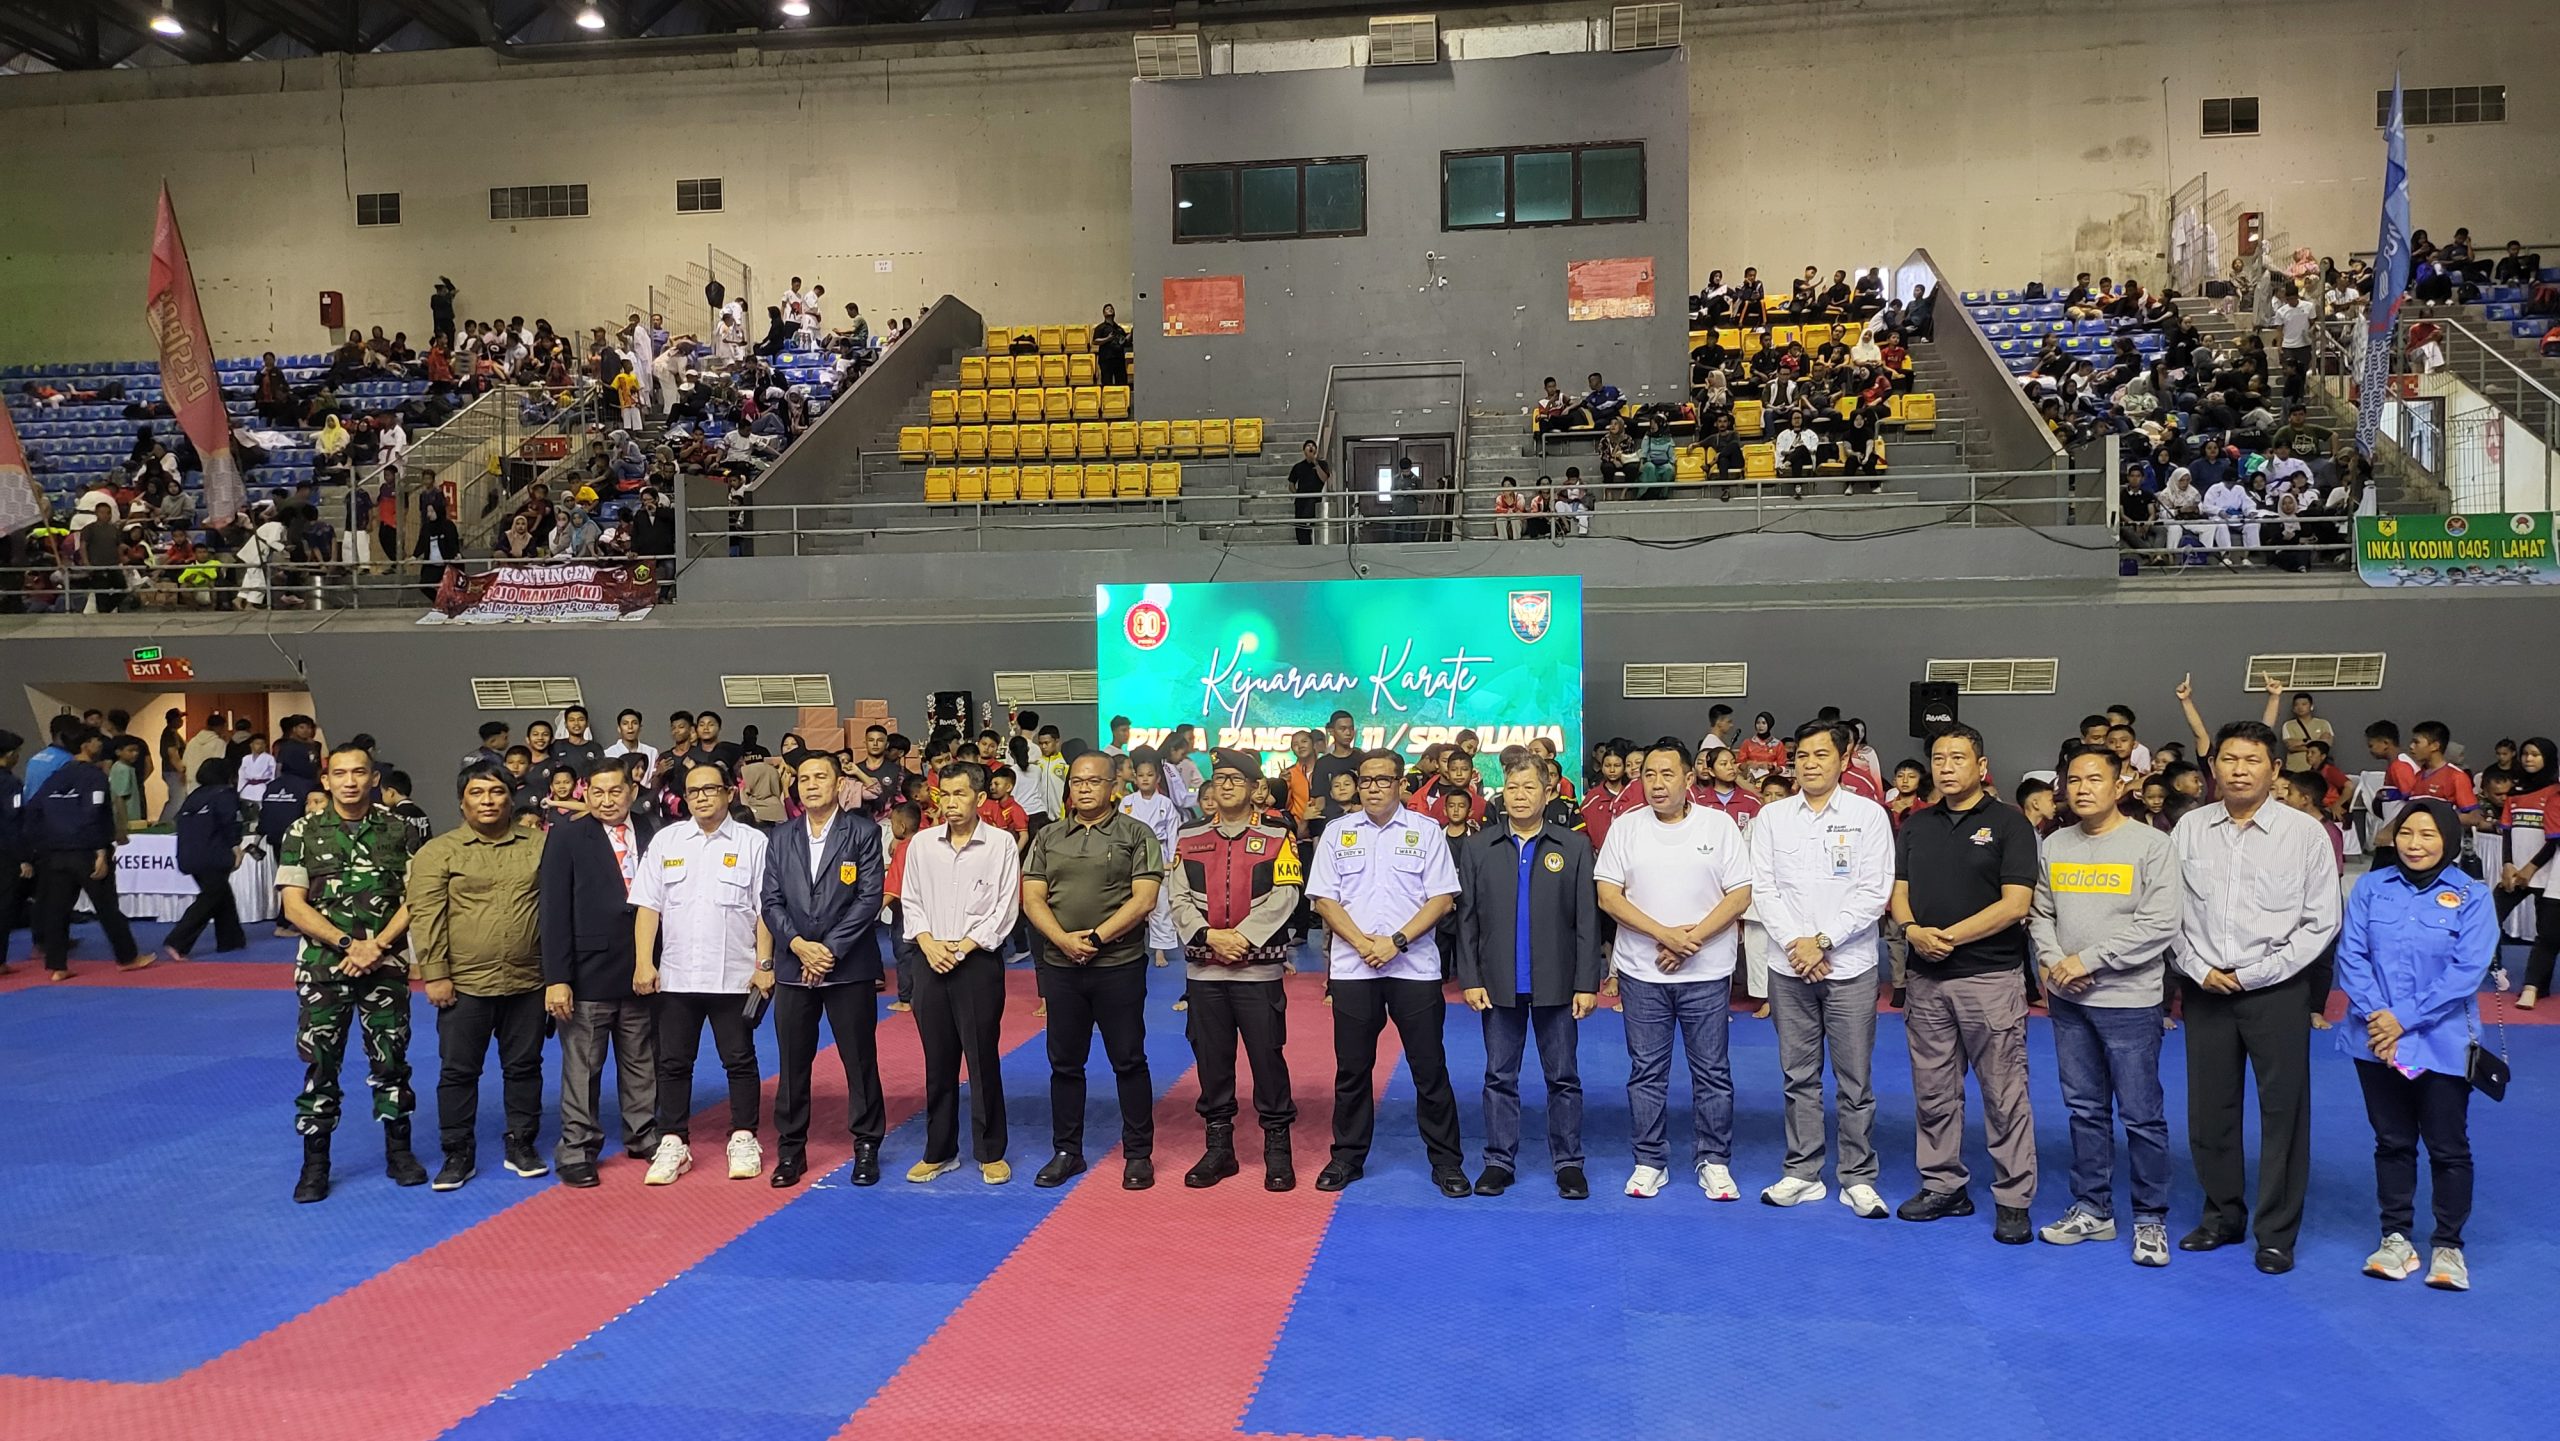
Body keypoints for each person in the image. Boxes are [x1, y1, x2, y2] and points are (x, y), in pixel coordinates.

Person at [2172, 719, 2343, 1274]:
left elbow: (2321, 922)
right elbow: (2168, 909)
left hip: (2277, 990)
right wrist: (2197, 967)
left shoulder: (2305, 834)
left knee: (2283, 1113)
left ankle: (2276, 1232)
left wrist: (2257, 974)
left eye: (2251, 760)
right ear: (2213, 767)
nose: (2239, 770)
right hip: (2206, 988)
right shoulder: (2190, 828)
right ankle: (2222, 1215)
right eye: (2229, 759)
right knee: (2209, 1112)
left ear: (2275, 769)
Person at [2029, 742, 2181, 1265]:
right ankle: (2093, 1208)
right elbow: (2041, 913)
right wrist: (2055, 963)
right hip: (2068, 1000)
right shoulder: (2055, 844)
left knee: (2141, 1115)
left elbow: (2160, 924)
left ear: (2120, 786)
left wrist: (2087, 961)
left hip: (2129, 1001)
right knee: (2085, 1109)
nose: (2083, 789)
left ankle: (2150, 1218)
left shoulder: (2151, 845)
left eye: (2095, 779)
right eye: (2073, 780)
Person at [1891, 723, 2041, 1242]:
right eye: (1938, 758)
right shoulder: (1916, 824)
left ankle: (2014, 1197)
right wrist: (1913, 931)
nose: (1946, 766)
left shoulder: (2009, 823)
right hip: (1926, 980)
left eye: (1958, 757)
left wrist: (1947, 937)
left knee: (2004, 1094)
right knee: (1933, 1091)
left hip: (1989, 978)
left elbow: (2015, 905)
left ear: (1981, 766)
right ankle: (1943, 1185)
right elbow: (1899, 891)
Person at [2335, 799, 2492, 1291]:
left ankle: (2448, 1245)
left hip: (2442, 1041)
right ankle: (2395, 1238)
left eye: (2427, 834)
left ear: (2448, 839)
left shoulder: (2472, 895)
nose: (2415, 844)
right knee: (2392, 1142)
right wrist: (2380, 1020)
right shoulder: (2370, 888)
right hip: (2374, 1039)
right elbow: (2351, 955)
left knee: (2448, 1146)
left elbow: (2466, 971)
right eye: (2406, 833)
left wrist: (2401, 1020)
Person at [1594, 740, 1753, 1201]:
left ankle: (1714, 1160)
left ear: (1689, 777)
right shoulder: (1626, 827)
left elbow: (1740, 895)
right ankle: (1649, 1161)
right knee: (1646, 1071)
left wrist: (1691, 940)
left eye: (1667, 774)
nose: (1657, 783)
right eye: (1648, 774)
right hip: (1643, 973)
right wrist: (1665, 934)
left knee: (1712, 1072)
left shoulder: (1718, 825)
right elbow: (1608, 896)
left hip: (1706, 972)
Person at [1307, 748, 1468, 1197]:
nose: (1373, 787)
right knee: (1352, 1069)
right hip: (1354, 969)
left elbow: (1442, 899)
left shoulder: (1427, 831)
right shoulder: (1337, 832)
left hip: (1414, 967)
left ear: (1401, 785)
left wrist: (1395, 942)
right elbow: (1324, 899)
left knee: (1429, 1068)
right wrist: (1363, 945)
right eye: (1366, 780)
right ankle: (1346, 1157)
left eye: (1383, 780)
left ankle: (1447, 1162)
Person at [1749, 721, 1896, 1214]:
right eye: (1803, 756)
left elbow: (1875, 891)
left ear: (1844, 759)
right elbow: (1764, 889)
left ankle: (1857, 1176)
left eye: (1821, 755)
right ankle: (1802, 1171)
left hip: (1849, 965)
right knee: (1798, 1076)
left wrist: (1824, 941)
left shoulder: (1868, 815)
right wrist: (1798, 944)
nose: (1810, 764)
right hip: (1789, 966)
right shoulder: (1773, 818)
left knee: (1855, 1080)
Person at [278, 742, 423, 1202]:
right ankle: (315, 1164)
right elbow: (293, 905)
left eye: (359, 772)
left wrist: (376, 946)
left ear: (374, 778)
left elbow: (416, 899)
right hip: (324, 968)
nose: (350, 781)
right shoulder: (303, 830)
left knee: (391, 1058)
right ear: (326, 780)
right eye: (340, 773)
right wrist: (348, 945)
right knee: (320, 1063)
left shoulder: (400, 829)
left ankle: (399, 1152)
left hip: (385, 965)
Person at [1456, 750, 1603, 1199]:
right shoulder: (1479, 847)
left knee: (1564, 1078)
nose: (1519, 796)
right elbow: (1467, 920)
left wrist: (1586, 983)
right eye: (1512, 787)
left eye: (1529, 787)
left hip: (1557, 983)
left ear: (1548, 792)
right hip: (1497, 983)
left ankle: (1569, 1162)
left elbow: (1587, 919)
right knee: (1499, 1077)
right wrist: (1470, 978)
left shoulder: (1573, 846)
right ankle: (1499, 1161)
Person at [1021, 751, 1167, 1189]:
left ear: (1113, 787)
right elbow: (1032, 898)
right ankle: (1067, 1151)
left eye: (1093, 781)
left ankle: (1138, 1153)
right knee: (1065, 1063)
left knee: (1129, 1060)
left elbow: (1144, 899)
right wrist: (1063, 940)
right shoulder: (1049, 836)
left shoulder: (1135, 833)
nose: (1084, 788)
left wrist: (1097, 939)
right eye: (1077, 782)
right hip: (1061, 966)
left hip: (1118, 965)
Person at [1166, 749, 1306, 1191]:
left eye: (1236, 779)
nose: (1226, 785)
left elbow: (1287, 894)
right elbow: (1177, 895)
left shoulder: (1277, 836)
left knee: (1267, 1059)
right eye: (1220, 778)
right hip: (1204, 971)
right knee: (1211, 1062)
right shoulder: (1189, 836)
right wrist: (1209, 936)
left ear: (1254, 788)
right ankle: (1218, 1149)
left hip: (1257, 972)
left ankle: (1277, 1150)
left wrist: (1242, 937)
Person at [632, 760, 774, 1186]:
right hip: (677, 976)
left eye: (710, 789)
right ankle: (674, 1141)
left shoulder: (752, 842)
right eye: (693, 791)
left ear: (730, 792)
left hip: (734, 974)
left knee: (739, 1060)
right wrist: (643, 961)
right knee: (673, 1062)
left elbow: (766, 909)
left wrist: (764, 964)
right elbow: (648, 906)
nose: (701, 797)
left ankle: (744, 1136)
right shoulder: (667, 840)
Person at [409, 761, 549, 1189]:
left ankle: (522, 1142)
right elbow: (426, 915)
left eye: (496, 792)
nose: (487, 801)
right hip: (465, 982)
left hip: (529, 979)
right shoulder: (439, 852)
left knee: (524, 1066)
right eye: (477, 793)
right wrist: (435, 973)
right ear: (461, 801)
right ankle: (457, 1152)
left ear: (512, 797)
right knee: (458, 1070)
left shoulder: (540, 845)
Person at [758, 751, 888, 1189]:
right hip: (794, 966)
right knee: (793, 1063)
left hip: (847, 966)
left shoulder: (863, 832)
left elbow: (869, 899)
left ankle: (867, 1144)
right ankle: (791, 1150)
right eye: (804, 778)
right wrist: (798, 945)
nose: (811, 784)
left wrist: (828, 951)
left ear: (838, 784)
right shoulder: (781, 836)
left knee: (859, 1059)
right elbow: (771, 901)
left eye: (820, 777)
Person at [540, 760, 658, 1189]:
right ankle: (577, 1148)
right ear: (586, 794)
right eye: (598, 793)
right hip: (586, 972)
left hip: (641, 966)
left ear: (632, 791)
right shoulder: (567, 835)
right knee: (583, 1067)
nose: (607, 801)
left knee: (641, 1059)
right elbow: (553, 909)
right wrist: (557, 978)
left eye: (615, 792)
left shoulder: (652, 829)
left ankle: (644, 1134)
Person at [902, 761, 1021, 1184]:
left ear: (980, 798)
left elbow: (1005, 907)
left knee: (982, 1057)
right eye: (944, 795)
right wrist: (929, 943)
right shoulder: (922, 844)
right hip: (930, 957)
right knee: (938, 1060)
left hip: (977, 960)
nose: (950, 803)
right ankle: (939, 1150)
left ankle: (990, 1150)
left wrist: (964, 947)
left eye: (960, 794)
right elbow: (911, 901)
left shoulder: (1001, 844)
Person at [23, 724, 142, 980]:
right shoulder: (93, 776)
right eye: (97, 740)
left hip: (55, 853)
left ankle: (57, 966)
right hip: (86, 851)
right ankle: (127, 957)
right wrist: (100, 851)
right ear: (86, 745)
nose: (101, 744)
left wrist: (44, 843)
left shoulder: (56, 776)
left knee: (57, 909)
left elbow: (33, 811)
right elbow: (93, 814)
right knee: (107, 906)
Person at [163, 757, 246, 963]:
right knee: (211, 896)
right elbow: (230, 822)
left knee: (221, 894)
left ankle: (231, 940)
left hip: (189, 854)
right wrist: (236, 847)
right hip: (213, 853)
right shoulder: (225, 794)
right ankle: (177, 941)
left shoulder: (194, 796)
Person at [1288, 440, 1329, 545]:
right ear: (1304, 450)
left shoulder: (1322, 464)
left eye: (1313, 446)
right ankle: (1303, 546)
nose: (1310, 447)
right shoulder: (1298, 466)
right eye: (1308, 446)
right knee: (1299, 527)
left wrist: (1315, 463)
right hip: (1300, 500)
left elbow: (1324, 478)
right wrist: (1296, 493)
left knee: (1307, 521)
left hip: (1314, 499)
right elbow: (1291, 483)